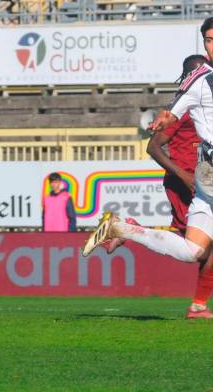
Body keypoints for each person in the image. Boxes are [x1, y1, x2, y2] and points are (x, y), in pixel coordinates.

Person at [83, 18, 213, 306]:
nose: (211, 47)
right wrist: (163, 118)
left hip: (202, 177)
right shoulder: (198, 82)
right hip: (199, 176)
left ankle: (124, 228)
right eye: (208, 40)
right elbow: (165, 126)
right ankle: (199, 304)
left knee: (194, 250)